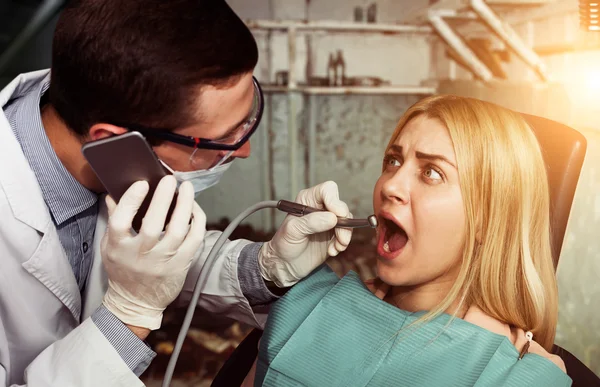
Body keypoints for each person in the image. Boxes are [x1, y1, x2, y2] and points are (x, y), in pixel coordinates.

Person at [0, 1, 353, 386]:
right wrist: (127, 318)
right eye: (219, 141)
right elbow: (138, 283)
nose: (245, 151)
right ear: (115, 141)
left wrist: (264, 268)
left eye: (246, 121)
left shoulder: (110, 156)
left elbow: (155, 259)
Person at [242, 95, 572, 386]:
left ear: (488, 217)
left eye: (432, 172)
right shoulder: (306, 305)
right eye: (393, 161)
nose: (390, 186)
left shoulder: (516, 377)